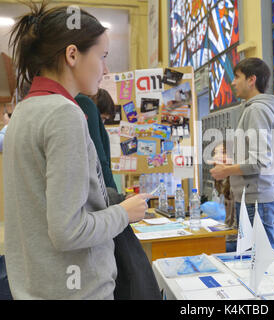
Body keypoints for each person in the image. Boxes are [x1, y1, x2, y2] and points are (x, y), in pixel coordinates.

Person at [4, 1, 151, 299]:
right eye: (103, 56)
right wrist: (124, 212)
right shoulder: (63, 114)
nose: (106, 69)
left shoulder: (23, 111)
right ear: (72, 55)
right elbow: (68, 231)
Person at [75, 90, 161, 300]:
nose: (104, 70)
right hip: (101, 205)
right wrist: (117, 203)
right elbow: (100, 162)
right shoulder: (84, 105)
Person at [210, 57, 274, 249]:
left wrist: (226, 170)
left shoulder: (257, 110)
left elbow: (259, 162)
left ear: (251, 80)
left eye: (237, 77)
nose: (233, 82)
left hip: (257, 201)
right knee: (250, 261)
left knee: (259, 264)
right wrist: (227, 154)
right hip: (250, 199)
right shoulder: (250, 109)